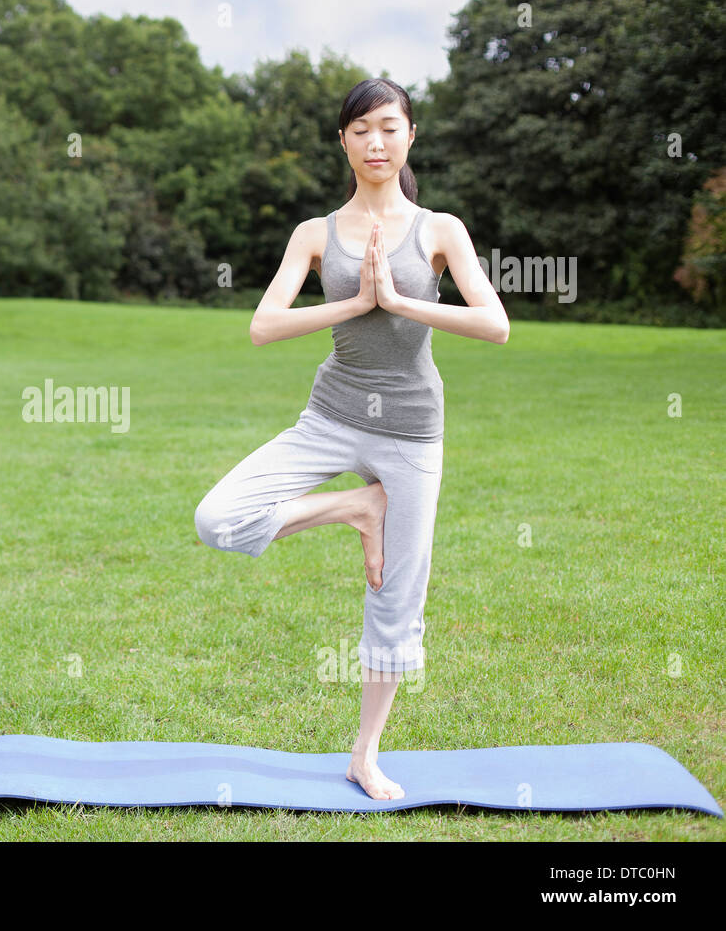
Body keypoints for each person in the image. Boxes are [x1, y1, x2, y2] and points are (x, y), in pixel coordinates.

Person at [193, 78, 510, 801]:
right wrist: (354, 303)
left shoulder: (439, 229)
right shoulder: (314, 233)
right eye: (361, 129)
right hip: (331, 418)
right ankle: (355, 508)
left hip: (409, 432)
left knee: (396, 603)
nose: (376, 142)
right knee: (217, 519)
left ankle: (364, 755)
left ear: (410, 136)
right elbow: (263, 326)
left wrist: (398, 302)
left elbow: (495, 324)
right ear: (343, 141)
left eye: (389, 128)